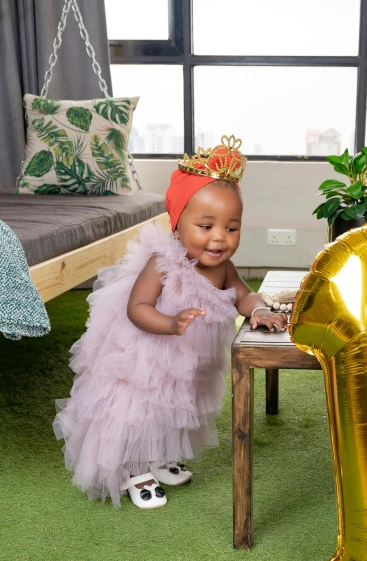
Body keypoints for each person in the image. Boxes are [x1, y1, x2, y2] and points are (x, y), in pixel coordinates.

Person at [53, 135, 287, 509]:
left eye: (231, 228)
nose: (219, 238)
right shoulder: (164, 262)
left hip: (190, 361)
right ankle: (132, 469)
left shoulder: (223, 268)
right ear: (177, 225)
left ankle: (159, 458)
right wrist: (171, 322)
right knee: (143, 409)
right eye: (206, 225)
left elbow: (244, 294)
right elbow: (138, 307)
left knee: (177, 408)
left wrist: (258, 309)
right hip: (150, 355)